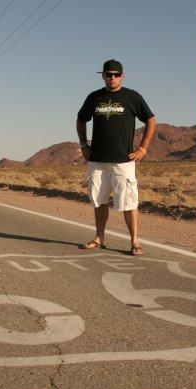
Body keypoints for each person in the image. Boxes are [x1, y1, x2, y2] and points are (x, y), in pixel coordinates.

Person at [76, 59, 156, 256]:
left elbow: (150, 120)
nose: (112, 77)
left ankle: (135, 242)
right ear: (103, 76)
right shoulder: (94, 97)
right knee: (99, 201)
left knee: (129, 202)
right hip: (97, 160)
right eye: (108, 74)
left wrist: (143, 148)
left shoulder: (132, 97)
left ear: (122, 76)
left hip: (123, 161)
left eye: (116, 74)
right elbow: (81, 119)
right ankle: (99, 238)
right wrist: (83, 144)